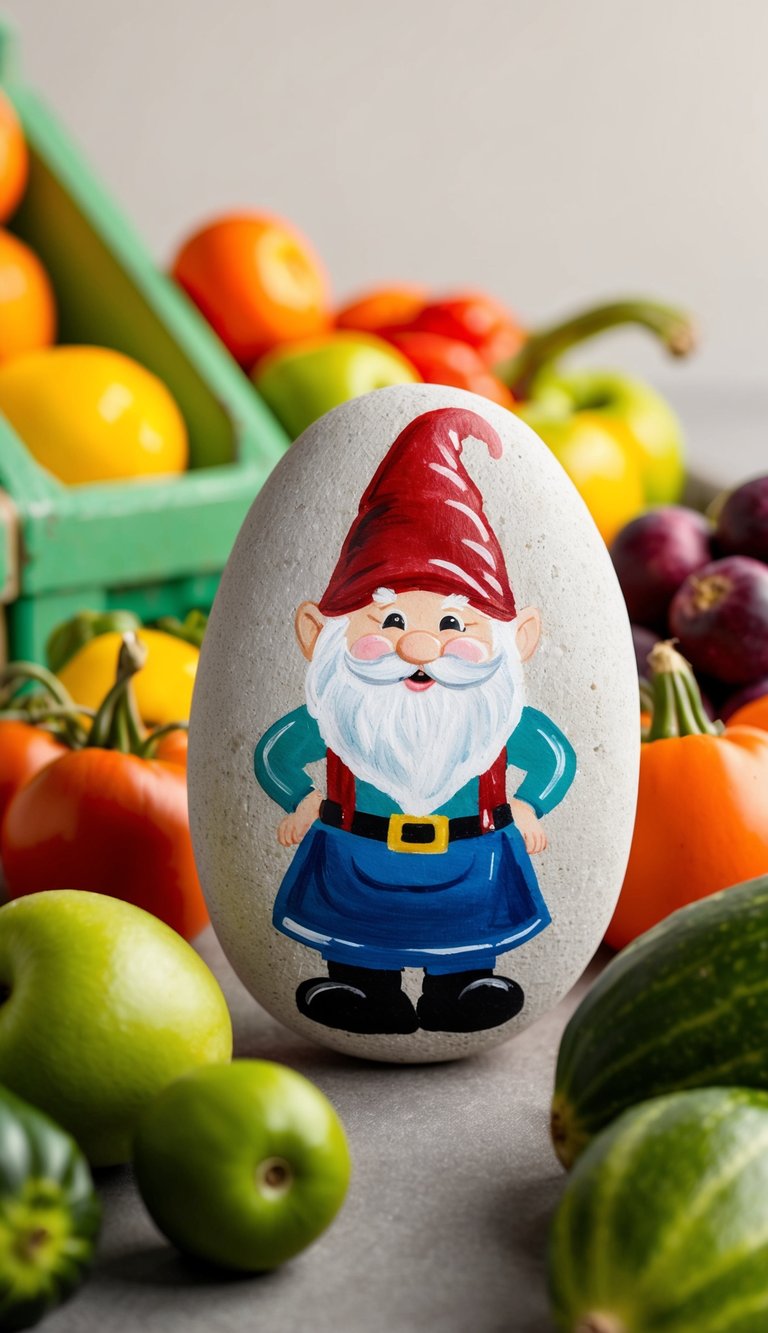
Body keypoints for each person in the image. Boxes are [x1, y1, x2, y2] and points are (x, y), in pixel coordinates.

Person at [255, 406, 576, 1035]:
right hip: (354, 853)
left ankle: (464, 986)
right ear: (318, 635)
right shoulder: (339, 711)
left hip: (474, 856)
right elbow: (275, 753)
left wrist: (532, 804)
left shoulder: (496, 718)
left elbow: (553, 757)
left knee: (468, 943)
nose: (421, 649)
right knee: (353, 938)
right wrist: (298, 799)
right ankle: (358, 988)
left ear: (522, 639)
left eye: (454, 625)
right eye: (390, 622)